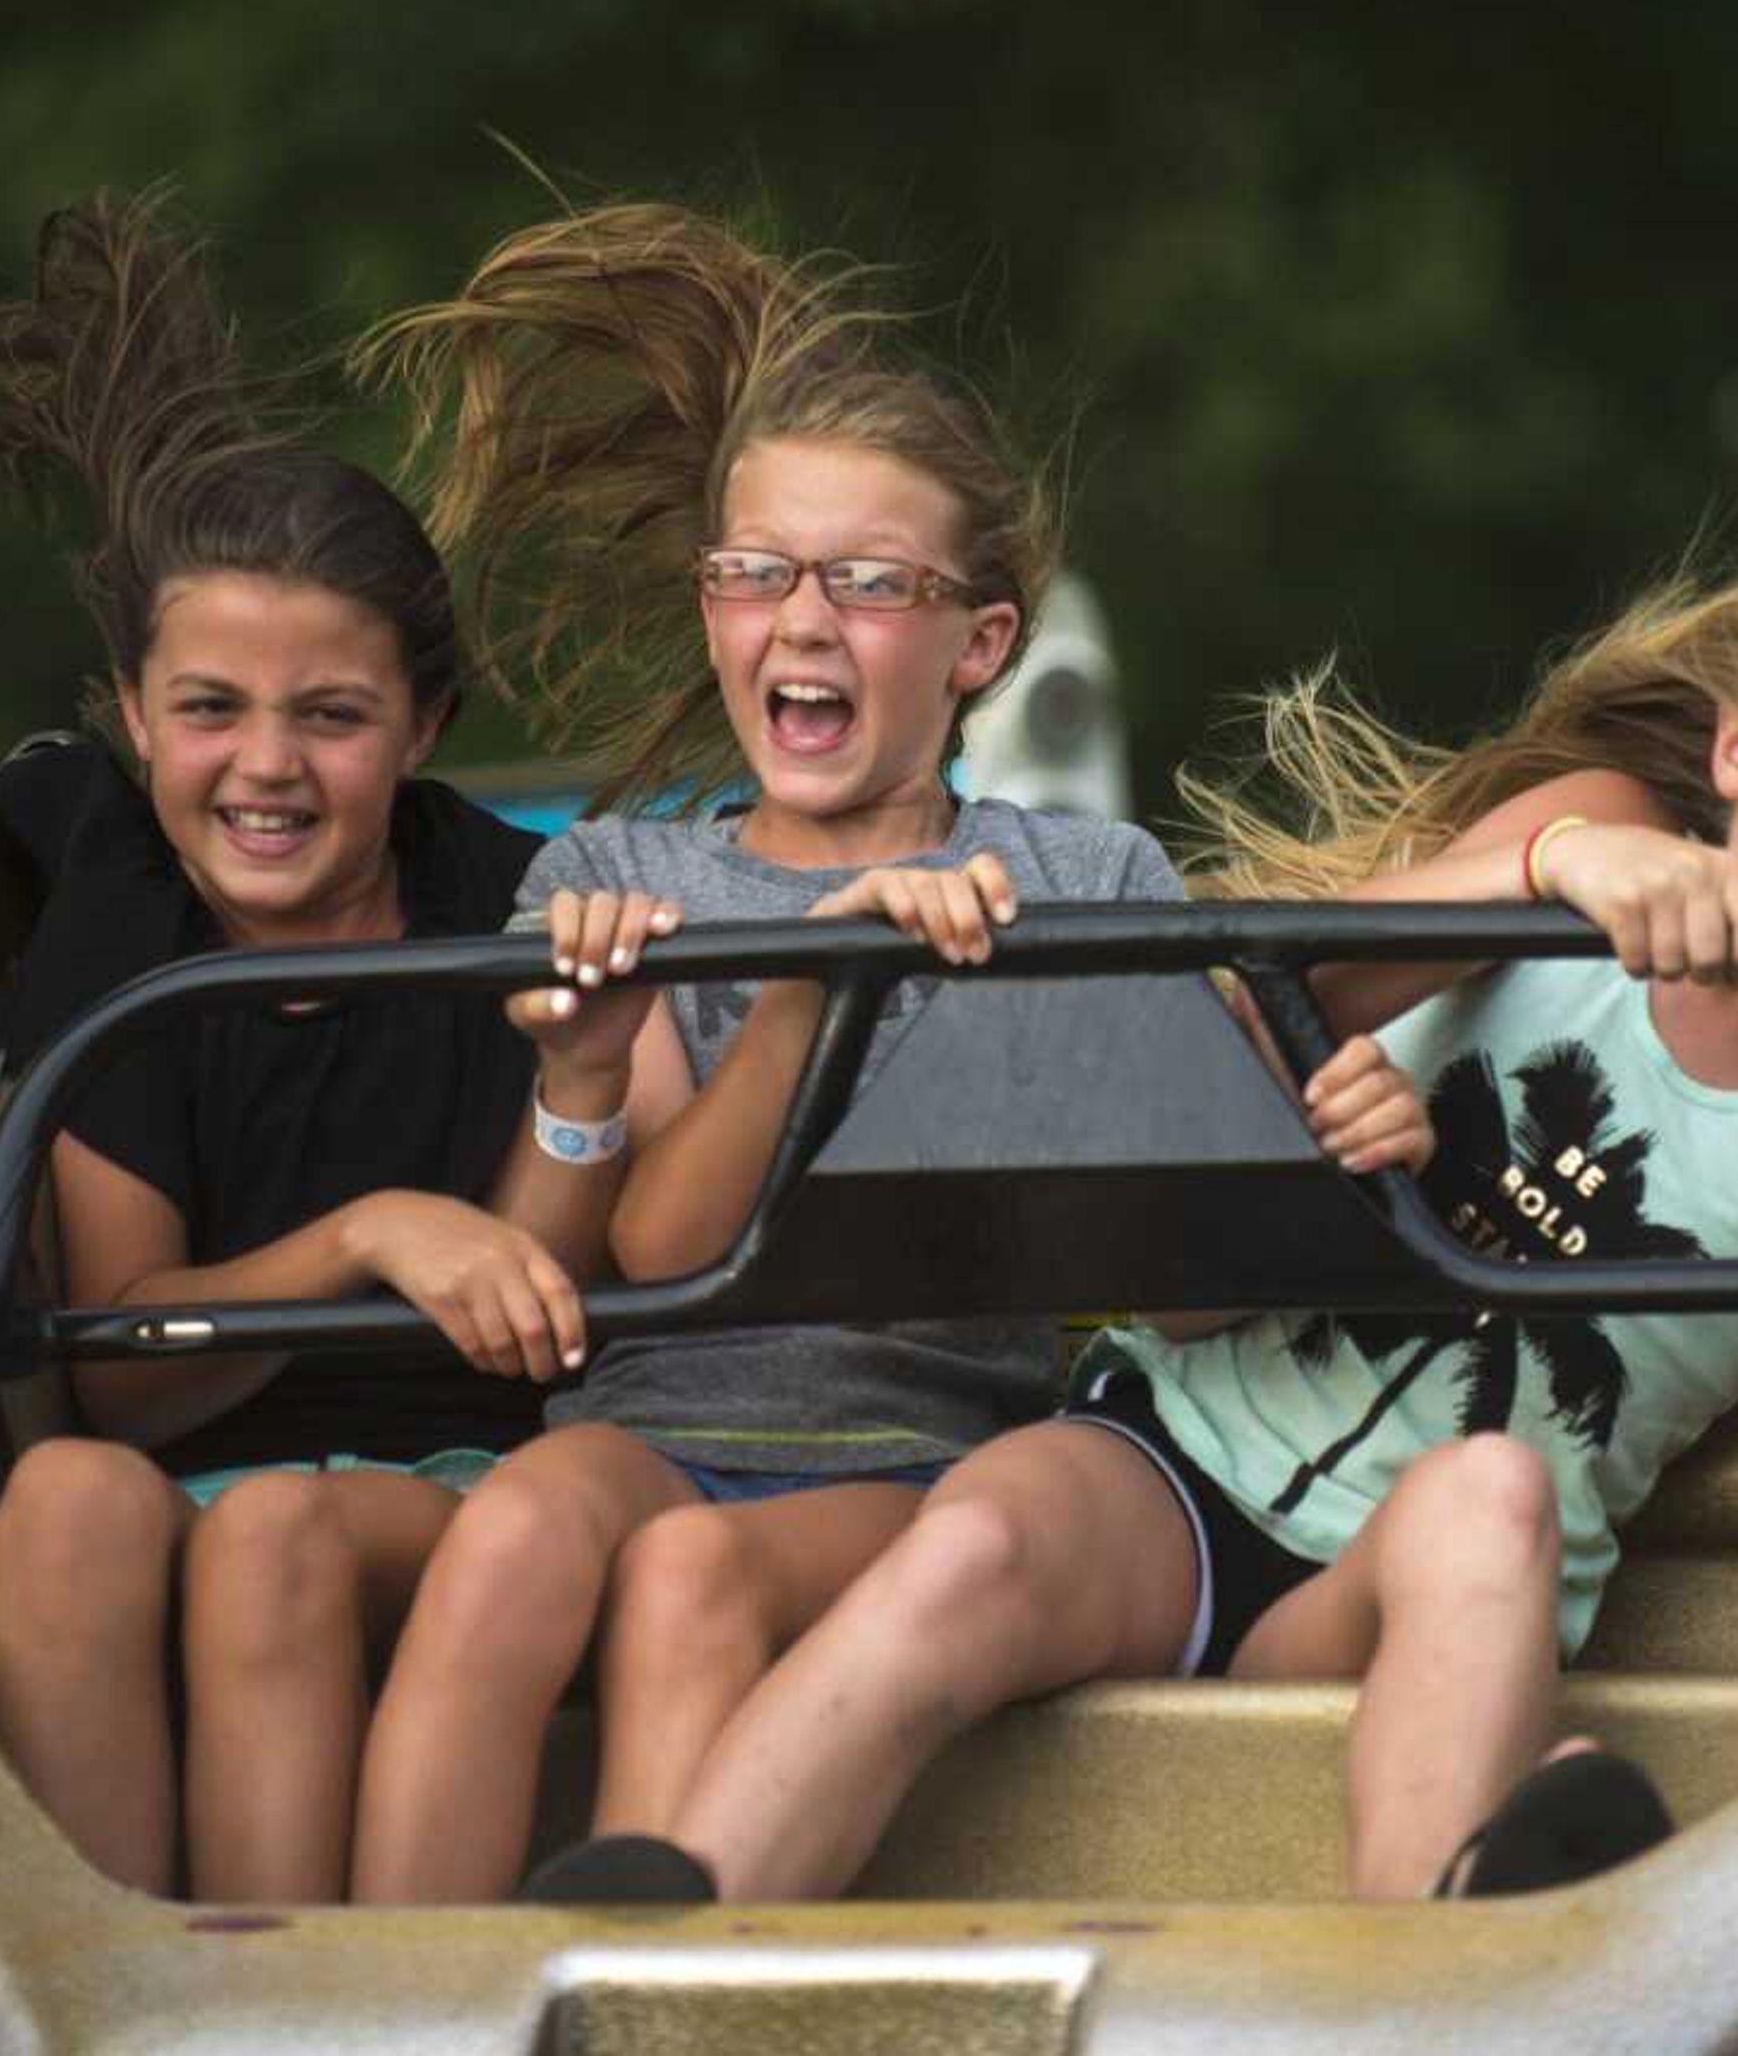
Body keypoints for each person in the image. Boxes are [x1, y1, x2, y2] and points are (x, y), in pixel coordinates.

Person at [561, 534, 1738, 1905]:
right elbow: (1258, 1003)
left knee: (1492, 1489)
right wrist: (1532, 893)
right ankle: (679, 1918)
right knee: (975, 1540)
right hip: (1175, 1466)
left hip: (1392, 1589)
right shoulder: (1575, 845)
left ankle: (1432, 1946)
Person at [330, 203, 1432, 1903]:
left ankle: (629, 1976)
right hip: (649, 1412)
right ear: (715, 614)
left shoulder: (1086, 882)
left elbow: (1190, 1298)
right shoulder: (622, 877)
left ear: (978, 645)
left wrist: (1307, 1136)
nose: (804, 619)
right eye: (758, 571)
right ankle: (385, 2003)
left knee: (694, 1570)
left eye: (869, 582)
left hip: (917, 1450)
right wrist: (817, 983)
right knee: (514, 1534)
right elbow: (666, 1255)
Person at [0, 196, 654, 1903]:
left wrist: (572, 1104)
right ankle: (104, 2009)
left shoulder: (515, 902)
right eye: (209, 710)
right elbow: (123, 1369)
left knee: (268, 1538)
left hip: (467, 1468)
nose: (263, 768)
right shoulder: (127, 938)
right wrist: (363, 1238)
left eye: (330, 717)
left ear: (418, 726)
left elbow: (529, 1341)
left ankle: (280, 2010)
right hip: (195, 1461)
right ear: (134, 716)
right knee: (58, 1502)